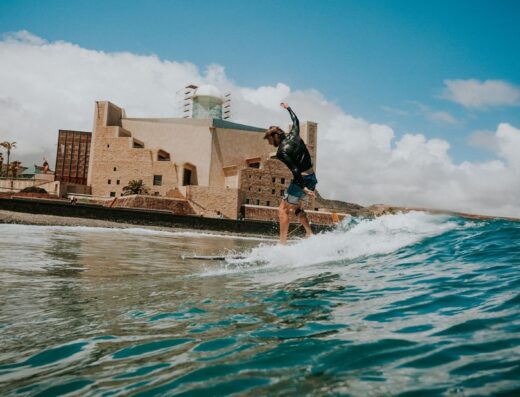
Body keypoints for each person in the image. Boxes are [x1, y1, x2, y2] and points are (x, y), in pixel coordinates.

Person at [264, 102, 317, 244]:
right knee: (298, 209)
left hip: (302, 180)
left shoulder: (281, 151)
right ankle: (310, 234)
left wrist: (303, 187)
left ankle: (281, 244)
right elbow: (296, 120)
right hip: (312, 177)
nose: (269, 143)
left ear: (275, 136)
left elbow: (294, 169)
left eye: (269, 139)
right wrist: (288, 108)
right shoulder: (294, 134)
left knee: (283, 209)